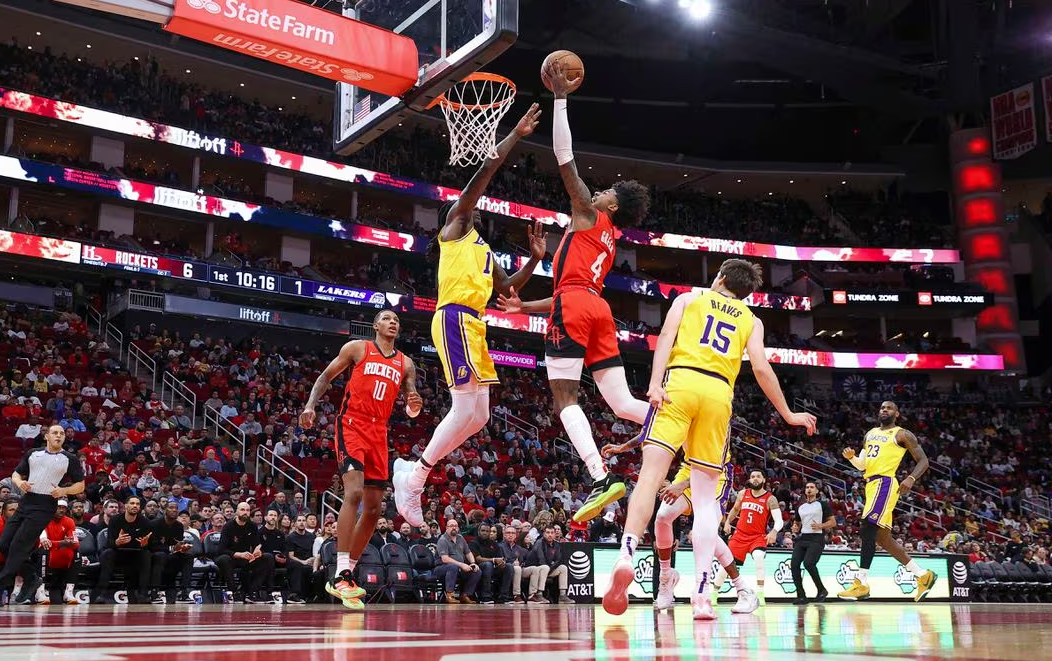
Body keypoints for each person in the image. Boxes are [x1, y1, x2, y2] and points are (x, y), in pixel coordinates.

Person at [600, 259, 816, 619]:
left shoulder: (688, 299)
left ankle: (626, 553)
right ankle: (701, 595)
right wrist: (789, 414)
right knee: (704, 503)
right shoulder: (752, 320)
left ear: (718, 278)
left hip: (681, 382)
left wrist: (655, 383)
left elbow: (666, 337)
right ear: (746, 292)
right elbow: (761, 368)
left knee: (650, 477)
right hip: (719, 395)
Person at [495, 61, 654, 524]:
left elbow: (564, 158)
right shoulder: (609, 237)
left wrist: (561, 97)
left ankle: (600, 476)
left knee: (565, 399)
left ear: (612, 204)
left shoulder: (588, 212)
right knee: (623, 403)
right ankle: (678, 426)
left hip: (577, 304)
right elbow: (574, 292)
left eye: (606, 191)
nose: (598, 191)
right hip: (596, 308)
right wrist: (526, 305)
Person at [392, 104, 545, 528]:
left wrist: (534, 261)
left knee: (479, 416)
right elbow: (485, 174)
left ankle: (412, 471)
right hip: (455, 317)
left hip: (475, 323)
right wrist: (514, 135)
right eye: (468, 206)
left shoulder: (481, 247)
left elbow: (507, 288)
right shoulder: (455, 229)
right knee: (464, 409)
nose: (474, 208)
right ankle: (415, 476)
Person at [301, 310, 422, 610]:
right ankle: (340, 570)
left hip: (379, 432)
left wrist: (414, 404)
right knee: (353, 492)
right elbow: (326, 376)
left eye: (396, 320)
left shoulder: (406, 363)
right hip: (352, 424)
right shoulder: (357, 348)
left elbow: (412, 401)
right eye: (386, 318)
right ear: (375, 325)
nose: (393, 322)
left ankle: (347, 575)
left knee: (374, 509)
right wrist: (310, 405)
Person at [602, 435, 754, 612]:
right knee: (663, 516)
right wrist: (623, 447)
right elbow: (653, 428)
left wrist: (684, 484)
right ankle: (666, 576)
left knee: (706, 533)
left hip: (715, 475)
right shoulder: (677, 408)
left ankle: (742, 590)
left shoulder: (716, 411)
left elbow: (716, 465)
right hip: (689, 470)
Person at [838, 401, 936, 601]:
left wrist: (910, 478)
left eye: (889, 408)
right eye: (882, 408)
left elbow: (924, 461)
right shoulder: (870, 433)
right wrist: (851, 458)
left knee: (867, 528)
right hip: (871, 484)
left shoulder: (902, 434)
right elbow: (862, 465)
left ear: (896, 414)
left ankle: (861, 583)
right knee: (882, 539)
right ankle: (923, 576)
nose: (884, 410)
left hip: (885, 483)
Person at [0, 424, 85, 596]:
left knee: (18, 546)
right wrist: (19, 483)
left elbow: (81, 485)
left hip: (45, 505)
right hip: (26, 501)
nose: (59, 436)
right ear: (46, 436)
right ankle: (31, 577)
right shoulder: (33, 453)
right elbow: (16, 474)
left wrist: (64, 491)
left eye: (62, 433)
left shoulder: (69, 458)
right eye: (55, 432)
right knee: (4, 544)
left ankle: (2, 583)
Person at [712, 470, 783, 602]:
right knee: (727, 565)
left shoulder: (770, 499)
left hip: (757, 536)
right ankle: (714, 593)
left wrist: (774, 531)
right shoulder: (743, 494)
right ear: (749, 480)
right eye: (752, 477)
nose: (755, 479)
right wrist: (727, 521)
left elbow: (779, 520)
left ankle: (760, 594)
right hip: (739, 535)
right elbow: (735, 510)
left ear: (764, 480)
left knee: (758, 557)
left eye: (758, 476)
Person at [94, 496, 153, 604]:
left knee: (146, 554)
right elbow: (109, 543)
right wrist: (117, 542)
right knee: (108, 553)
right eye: (132, 503)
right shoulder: (116, 520)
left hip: (134, 554)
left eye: (137, 504)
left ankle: (143, 594)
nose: (135, 506)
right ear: (126, 506)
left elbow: (147, 544)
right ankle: (101, 594)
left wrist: (144, 545)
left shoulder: (144, 522)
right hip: (117, 553)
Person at [215, 501, 275, 603]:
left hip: (246, 557)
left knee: (268, 557)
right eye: (242, 510)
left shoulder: (252, 526)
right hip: (231, 557)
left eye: (247, 510)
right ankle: (233, 592)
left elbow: (257, 543)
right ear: (237, 511)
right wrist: (239, 554)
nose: (245, 512)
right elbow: (221, 549)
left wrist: (257, 550)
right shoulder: (228, 526)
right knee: (224, 559)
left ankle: (252, 592)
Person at [791, 481, 836, 604]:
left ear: (817, 491)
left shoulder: (822, 505)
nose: (809, 489)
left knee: (808, 563)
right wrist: (795, 527)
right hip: (803, 537)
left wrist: (821, 525)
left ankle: (821, 590)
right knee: (794, 564)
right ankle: (801, 595)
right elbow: (797, 523)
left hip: (817, 538)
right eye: (807, 487)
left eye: (812, 487)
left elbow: (833, 522)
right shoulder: (801, 507)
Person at [149, 501, 195, 604]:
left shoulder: (178, 525)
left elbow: (177, 543)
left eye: (176, 508)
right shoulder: (154, 524)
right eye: (171, 508)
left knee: (188, 556)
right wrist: (172, 548)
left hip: (172, 554)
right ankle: (154, 592)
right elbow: (152, 546)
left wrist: (182, 548)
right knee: (160, 555)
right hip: (156, 554)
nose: (174, 510)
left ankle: (184, 593)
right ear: (165, 510)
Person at [39, 498, 79, 605]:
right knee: (43, 551)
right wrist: (62, 543)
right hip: (45, 553)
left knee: (78, 553)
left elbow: (75, 544)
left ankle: (69, 592)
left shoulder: (69, 521)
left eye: (64, 508)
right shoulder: (43, 519)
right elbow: (42, 543)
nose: (61, 510)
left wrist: (57, 544)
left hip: (60, 553)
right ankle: (41, 590)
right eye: (59, 507)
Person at [435, 519, 481, 604]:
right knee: (453, 567)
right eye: (451, 526)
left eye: (455, 526)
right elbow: (445, 559)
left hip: (458, 568)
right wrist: (461, 565)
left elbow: (468, 553)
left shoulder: (460, 538)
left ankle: (465, 595)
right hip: (441, 568)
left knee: (476, 571)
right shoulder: (443, 540)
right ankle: (450, 595)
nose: (454, 528)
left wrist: (473, 563)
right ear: (446, 528)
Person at [525, 524, 573, 604]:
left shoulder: (557, 545)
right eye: (547, 532)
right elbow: (541, 560)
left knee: (563, 567)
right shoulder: (539, 543)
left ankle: (562, 595)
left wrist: (551, 567)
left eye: (552, 533)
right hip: (535, 569)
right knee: (545, 567)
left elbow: (558, 560)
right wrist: (550, 567)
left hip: (548, 569)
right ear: (544, 534)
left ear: (555, 534)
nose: (550, 535)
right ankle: (539, 594)